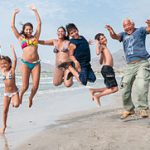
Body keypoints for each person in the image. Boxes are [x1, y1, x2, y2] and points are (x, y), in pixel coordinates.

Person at [105, 18, 150, 119]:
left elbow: (148, 29)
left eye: (128, 25)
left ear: (133, 24)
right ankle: (129, 109)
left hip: (142, 63)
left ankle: (143, 108)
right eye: (124, 26)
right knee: (124, 87)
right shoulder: (123, 35)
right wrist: (111, 31)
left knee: (141, 84)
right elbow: (115, 37)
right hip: (130, 65)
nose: (127, 28)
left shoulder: (140, 30)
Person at [11, 4, 41, 107]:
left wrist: (35, 11)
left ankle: (31, 97)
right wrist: (14, 14)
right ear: (24, 30)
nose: (28, 31)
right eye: (26, 29)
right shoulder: (21, 38)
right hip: (25, 63)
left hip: (36, 64)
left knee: (35, 86)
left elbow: (39, 23)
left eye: (30, 29)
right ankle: (21, 95)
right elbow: (12, 26)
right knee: (25, 86)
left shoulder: (35, 38)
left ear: (32, 30)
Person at [89, 33, 118, 106]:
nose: (104, 39)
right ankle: (97, 96)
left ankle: (94, 90)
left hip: (107, 69)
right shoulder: (102, 46)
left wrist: (102, 54)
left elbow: (100, 62)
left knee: (110, 87)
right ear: (99, 41)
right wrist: (97, 44)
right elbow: (97, 53)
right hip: (107, 69)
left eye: (104, 37)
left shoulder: (104, 47)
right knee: (115, 89)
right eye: (102, 39)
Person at [0, 45, 20, 134]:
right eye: (2, 64)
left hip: (14, 92)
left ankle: (15, 101)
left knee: (16, 105)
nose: (3, 65)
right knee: (4, 110)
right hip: (6, 94)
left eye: (5, 63)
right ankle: (4, 126)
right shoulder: (2, 70)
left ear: (10, 63)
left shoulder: (12, 70)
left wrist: (12, 49)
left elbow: (15, 60)